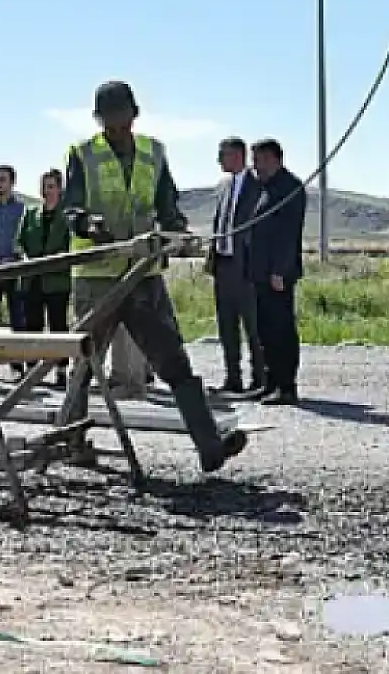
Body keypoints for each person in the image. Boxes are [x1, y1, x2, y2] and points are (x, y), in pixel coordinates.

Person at [62, 80, 247, 473]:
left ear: (134, 115)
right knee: (83, 363)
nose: (116, 129)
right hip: (97, 276)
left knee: (172, 359)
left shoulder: (153, 154)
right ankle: (71, 443)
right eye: (109, 122)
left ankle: (209, 446)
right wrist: (87, 223)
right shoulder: (82, 155)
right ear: (99, 120)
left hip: (142, 274)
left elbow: (168, 206)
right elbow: (70, 208)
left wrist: (178, 232)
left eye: (121, 121)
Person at [246, 139, 306, 406]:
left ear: (273, 159)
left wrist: (279, 270)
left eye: (258, 160)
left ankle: (286, 386)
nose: (254, 166)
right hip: (261, 272)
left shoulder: (289, 188)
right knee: (264, 329)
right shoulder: (265, 188)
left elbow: (288, 234)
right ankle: (269, 382)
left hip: (277, 274)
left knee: (280, 329)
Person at [206, 136, 263, 396]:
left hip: (247, 269)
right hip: (224, 266)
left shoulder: (258, 186)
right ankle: (233, 378)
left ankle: (259, 379)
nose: (219, 160)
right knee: (226, 325)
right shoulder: (224, 186)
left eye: (223, 154)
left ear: (238, 156)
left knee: (253, 325)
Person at [17, 168, 73, 387]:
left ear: (60, 189)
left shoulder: (67, 215)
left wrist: (57, 260)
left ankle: (60, 368)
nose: (46, 190)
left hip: (57, 279)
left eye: (51, 186)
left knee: (58, 324)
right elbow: (20, 241)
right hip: (32, 278)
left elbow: (70, 246)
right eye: (44, 186)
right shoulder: (31, 213)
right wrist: (26, 259)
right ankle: (32, 369)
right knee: (32, 324)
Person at [0, 165, 29, 378]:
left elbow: (23, 239)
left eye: (3, 180)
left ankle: (17, 366)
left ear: (12, 183)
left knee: (17, 319)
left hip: (13, 270)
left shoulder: (21, 210)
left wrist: (14, 259)